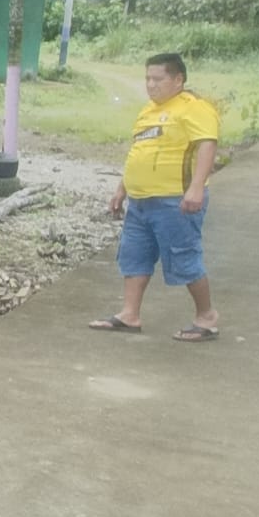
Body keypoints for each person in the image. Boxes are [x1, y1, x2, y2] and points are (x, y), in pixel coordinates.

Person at [89, 51, 222, 342]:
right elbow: (139, 152)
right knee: (134, 255)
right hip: (140, 201)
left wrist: (196, 187)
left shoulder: (193, 108)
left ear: (178, 79)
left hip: (174, 200)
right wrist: (121, 190)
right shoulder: (147, 111)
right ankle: (130, 314)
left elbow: (207, 145)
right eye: (148, 78)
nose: (151, 85)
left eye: (158, 79)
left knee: (184, 257)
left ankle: (207, 317)